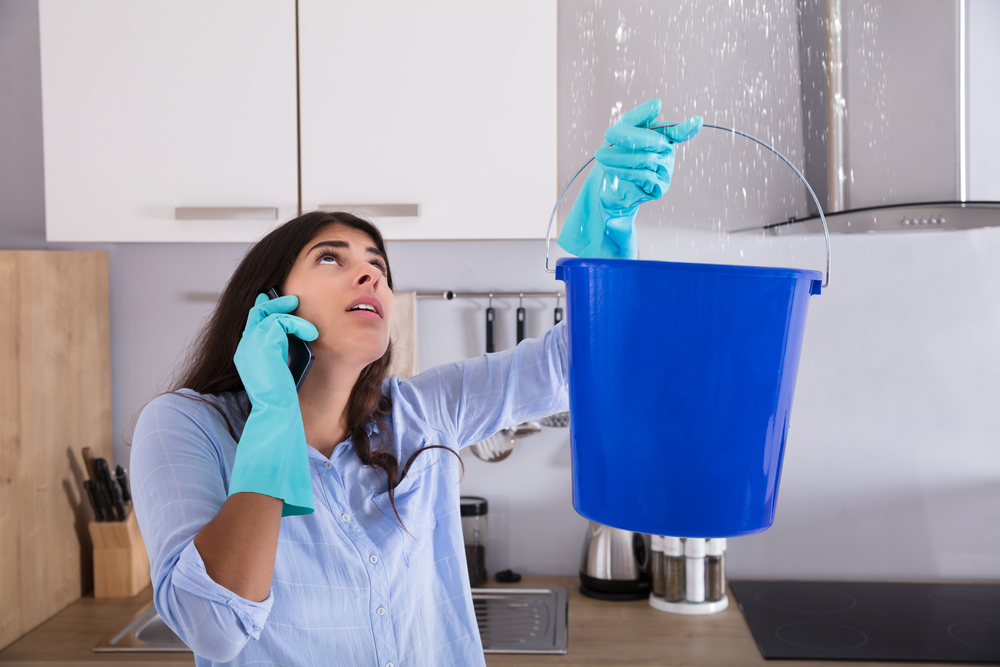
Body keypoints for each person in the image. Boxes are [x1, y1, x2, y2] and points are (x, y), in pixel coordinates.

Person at [130, 99, 701, 666]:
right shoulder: (186, 426)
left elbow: (575, 365)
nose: (370, 272)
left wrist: (605, 256)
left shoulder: (422, 413)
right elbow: (215, 627)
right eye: (330, 258)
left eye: (378, 263)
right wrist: (273, 414)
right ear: (267, 302)